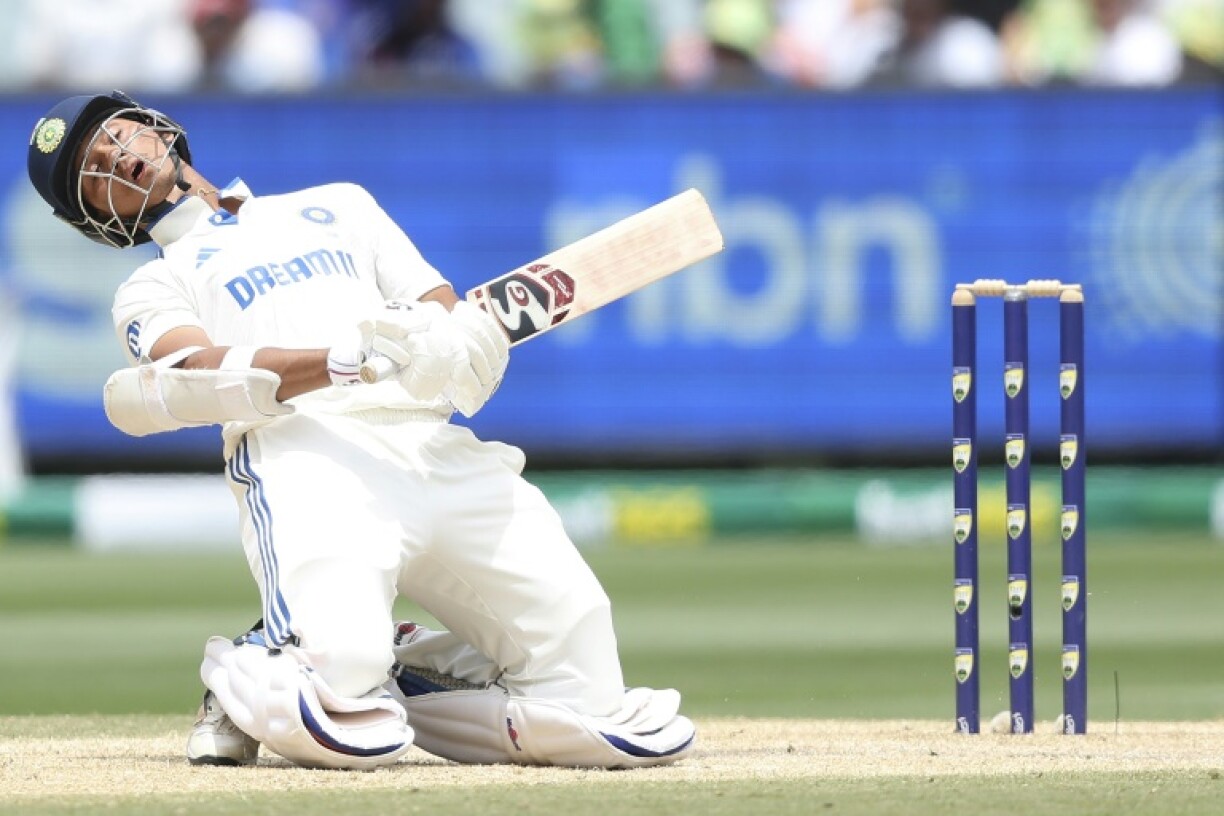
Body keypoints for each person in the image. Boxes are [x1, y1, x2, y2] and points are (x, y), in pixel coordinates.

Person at [26, 90, 695, 770]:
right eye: (89, 168)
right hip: (307, 455)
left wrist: (456, 349)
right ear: (97, 218)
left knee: (591, 696)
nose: (113, 157)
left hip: (433, 446)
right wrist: (334, 363)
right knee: (339, 705)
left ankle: (400, 666)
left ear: (152, 127)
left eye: (113, 135)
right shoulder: (152, 287)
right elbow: (195, 370)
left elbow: (443, 310)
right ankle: (261, 665)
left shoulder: (342, 202)